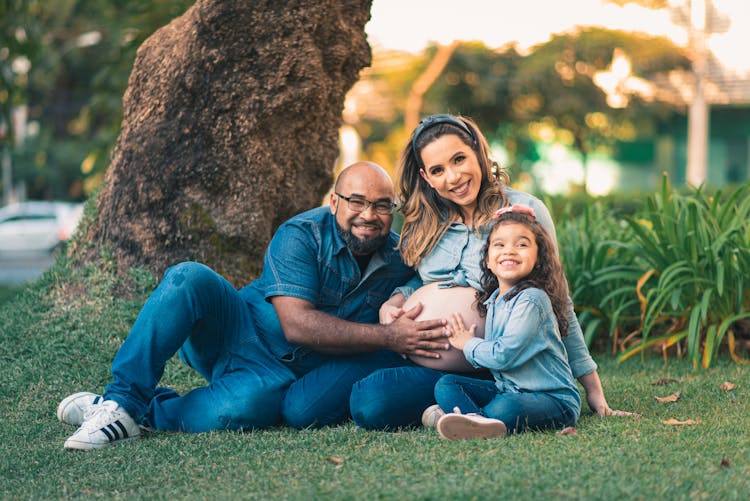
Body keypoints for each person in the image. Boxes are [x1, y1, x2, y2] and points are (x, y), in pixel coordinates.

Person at [55, 161, 448, 450]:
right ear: (334, 201)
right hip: (235, 328)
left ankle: (130, 413)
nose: (370, 215)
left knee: (245, 409)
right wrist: (388, 336)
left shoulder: (399, 257)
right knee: (188, 276)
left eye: (382, 206)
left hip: (276, 376)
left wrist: (407, 290)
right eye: (357, 202)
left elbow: (432, 276)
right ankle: (120, 398)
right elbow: (297, 325)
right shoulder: (302, 234)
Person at [345, 114, 635, 430]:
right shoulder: (424, 221)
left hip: (502, 366)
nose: (453, 177)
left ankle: (462, 411)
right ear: (426, 177)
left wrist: (594, 392)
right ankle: (456, 409)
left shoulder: (523, 213)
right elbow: (423, 281)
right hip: (440, 367)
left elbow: (559, 300)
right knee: (369, 402)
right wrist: (395, 301)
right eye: (438, 170)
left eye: (459, 159)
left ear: (479, 153)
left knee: (500, 403)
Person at [428, 204, 580, 440]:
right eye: (499, 245)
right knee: (447, 384)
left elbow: (502, 356)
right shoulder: (494, 301)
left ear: (539, 258)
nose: (509, 251)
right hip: (508, 389)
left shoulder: (532, 299)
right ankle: (474, 421)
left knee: (506, 408)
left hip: (553, 400)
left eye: (521, 244)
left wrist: (468, 343)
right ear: (488, 259)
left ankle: (464, 419)